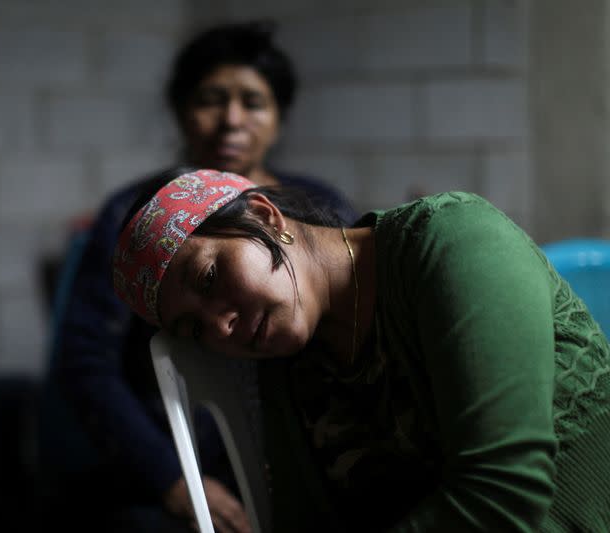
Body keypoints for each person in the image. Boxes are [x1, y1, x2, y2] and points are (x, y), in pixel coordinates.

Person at [112, 167, 610, 532]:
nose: (221, 325)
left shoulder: (453, 241)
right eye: (194, 329)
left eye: (210, 276)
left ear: (266, 217)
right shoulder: (289, 367)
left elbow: (503, 490)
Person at [44, 20, 359, 533]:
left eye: (253, 102)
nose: (231, 120)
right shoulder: (136, 216)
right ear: (181, 112)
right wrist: (172, 477)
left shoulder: (316, 207)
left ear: (278, 119)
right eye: (211, 99)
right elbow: (85, 362)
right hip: (185, 458)